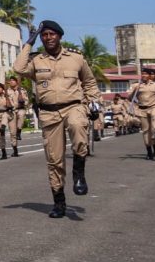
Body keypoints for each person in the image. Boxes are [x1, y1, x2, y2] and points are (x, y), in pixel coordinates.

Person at [13, 20, 101, 218]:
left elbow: (89, 82)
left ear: (60, 36)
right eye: (44, 35)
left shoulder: (76, 58)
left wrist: (94, 103)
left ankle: (79, 174)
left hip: (73, 106)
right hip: (49, 114)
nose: (48, 38)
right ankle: (59, 202)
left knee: (78, 126)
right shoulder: (36, 61)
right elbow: (18, 68)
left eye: (52, 34)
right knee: (54, 160)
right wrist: (30, 41)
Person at [126, 68, 155, 160]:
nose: (144, 75)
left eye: (146, 74)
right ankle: (149, 151)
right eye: (142, 74)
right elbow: (129, 98)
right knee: (146, 131)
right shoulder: (136, 85)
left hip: (154, 106)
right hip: (142, 110)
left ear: (150, 75)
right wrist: (134, 91)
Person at [6, 76, 29, 143]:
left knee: (21, 115)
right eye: (10, 80)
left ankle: (19, 131)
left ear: (16, 82)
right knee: (12, 130)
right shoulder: (7, 91)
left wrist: (24, 103)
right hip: (12, 110)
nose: (11, 81)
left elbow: (27, 100)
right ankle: (14, 145)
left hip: (20, 108)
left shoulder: (22, 90)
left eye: (13, 80)